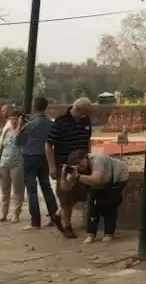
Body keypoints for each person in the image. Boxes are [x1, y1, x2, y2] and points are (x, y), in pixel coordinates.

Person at [46, 97, 92, 238]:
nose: (84, 116)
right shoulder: (61, 122)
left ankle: (58, 215)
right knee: (65, 195)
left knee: (79, 194)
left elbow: (88, 139)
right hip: (63, 163)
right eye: (83, 113)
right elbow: (48, 144)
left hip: (81, 163)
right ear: (77, 109)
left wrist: (88, 157)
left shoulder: (86, 120)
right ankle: (67, 227)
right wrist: (52, 166)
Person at [65, 150, 129, 243]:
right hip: (101, 184)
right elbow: (66, 187)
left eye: (80, 162)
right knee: (93, 205)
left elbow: (96, 178)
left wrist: (78, 176)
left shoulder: (97, 160)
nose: (78, 166)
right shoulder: (78, 169)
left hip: (117, 178)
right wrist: (66, 174)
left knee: (108, 204)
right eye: (75, 164)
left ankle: (108, 233)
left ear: (85, 158)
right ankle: (90, 233)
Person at [16, 96, 59, 230]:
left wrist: (20, 124)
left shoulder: (30, 124)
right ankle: (54, 216)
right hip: (45, 157)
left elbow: (18, 141)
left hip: (30, 157)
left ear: (34, 106)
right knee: (46, 187)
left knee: (32, 190)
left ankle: (35, 222)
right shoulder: (51, 123)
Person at [0, 110, 25, 222]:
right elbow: (1, 145)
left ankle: (15, 214)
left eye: (15, 119)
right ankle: (3, 213)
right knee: (5, 190)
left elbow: (19, 140)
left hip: (17, 163)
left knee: (17, 190)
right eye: (11, 119)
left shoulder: (23, 132)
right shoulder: (6, 131)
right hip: (4, 162)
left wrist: (20, 125)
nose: (13, 121)